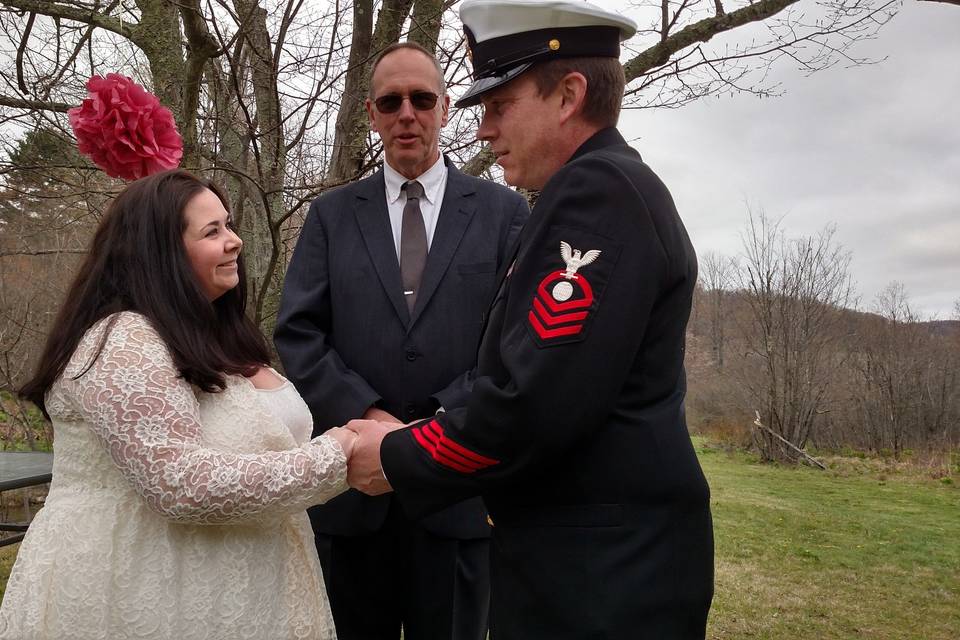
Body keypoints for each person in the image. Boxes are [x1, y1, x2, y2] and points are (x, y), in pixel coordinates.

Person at [345, 1, 715, 638]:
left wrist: (401, 454)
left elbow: (533, 402)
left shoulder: (597, 191)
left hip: (603, 576)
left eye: (498, 105)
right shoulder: (589, 192)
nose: (483, 129)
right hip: (586, 561)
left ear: (569, 94)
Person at [0, 169, 355, 640]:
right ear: (160, 253)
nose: (234, 242)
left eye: (229, 225)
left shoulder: (207, 334)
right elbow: (179, 483)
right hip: (138, 593)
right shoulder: (123, 340)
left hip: (230, 592)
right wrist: (338, 456)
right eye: (213, 232)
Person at [274, 42, 528, 640]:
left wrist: (435, 425)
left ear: (444, 106)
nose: (406, 114)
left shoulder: (503, 212)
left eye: (420, 98)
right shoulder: (332, 215)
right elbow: (298, 330)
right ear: (371, 113)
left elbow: (514, 339)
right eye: (391, 101)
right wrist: (365, 415)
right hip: (351, 491)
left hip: (458, 493)